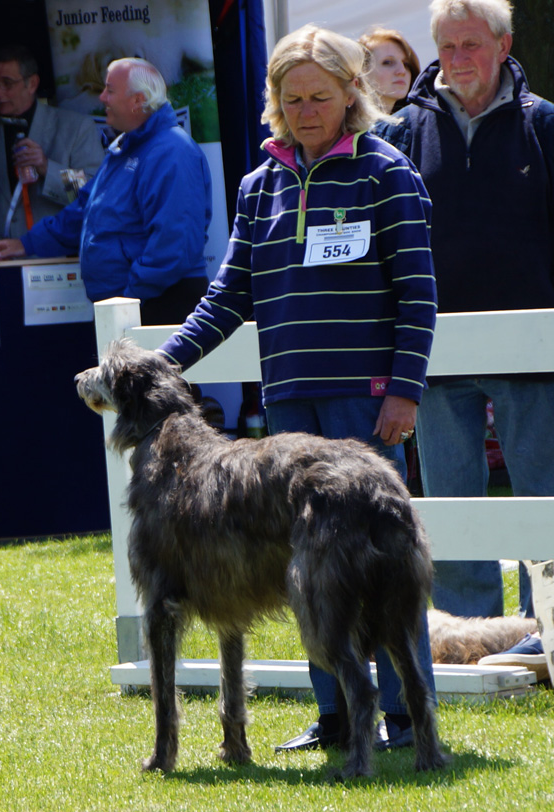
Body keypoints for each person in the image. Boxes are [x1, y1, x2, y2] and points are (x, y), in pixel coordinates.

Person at [155, 24, 438, 751]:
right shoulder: (260, 186)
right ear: (275, 102)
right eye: (292, 97)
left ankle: (409, 718)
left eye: (321, 95)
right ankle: (339, 717)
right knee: (307, 572)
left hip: (367, 402)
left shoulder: (386, 173)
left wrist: (403, 390)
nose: (307, 109)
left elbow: (417, 296)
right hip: (290, 408)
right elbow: (228, 296)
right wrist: (168, 361)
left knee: (382, 567)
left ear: (352, 94)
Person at [375, 0, 554, 619]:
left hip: (532, 348)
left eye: (471, 45)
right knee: (447, 503)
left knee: (543, 500)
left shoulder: (545, 125)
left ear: (503, 46)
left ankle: (544, 629)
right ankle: (467, 633)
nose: (457, 60)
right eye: (446, 47)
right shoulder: (400, 133)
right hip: (435, 348)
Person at [0, 58, 212, 325]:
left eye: (110, 90)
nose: (102, 97)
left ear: (137, 100)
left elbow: (174, 246)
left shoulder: (172, 151)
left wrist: (129, 299)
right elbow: (84, 211)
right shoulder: (125, 148)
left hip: (159, 305)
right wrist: (26, 244)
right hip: (130, 305)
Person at [0, 45, 104, 263]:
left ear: (32, 83)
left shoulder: (76, 128)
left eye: (7, 83)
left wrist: (47, 168)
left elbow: (95, 197)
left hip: (55, 264)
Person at [359, 27, 421, 113]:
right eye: (388, 62)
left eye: (406, 64)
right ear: (363, 71)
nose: (402, 71)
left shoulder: (416, 122)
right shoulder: (342, 124)